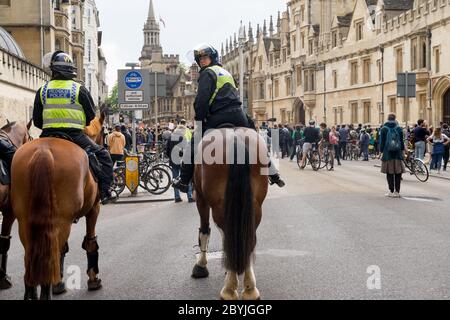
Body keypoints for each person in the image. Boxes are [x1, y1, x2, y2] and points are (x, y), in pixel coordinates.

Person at [172, 44, 284, 192]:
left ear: (212, 58)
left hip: (218, 116)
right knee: (256, 138)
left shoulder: (207, 73)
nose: (203, 61)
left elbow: (201, 101)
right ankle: (273, 173)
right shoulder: (226, 73)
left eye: (205, 58)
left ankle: (184, 180)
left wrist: (200, 119)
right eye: (200, 59)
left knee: (195, 141)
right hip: (238, 114)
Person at [33, 50, 116, 204]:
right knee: (104, 155)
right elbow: (91, 116)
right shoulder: (78, 89)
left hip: (47, 135)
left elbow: (37, 121)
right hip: (74, 136)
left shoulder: (42, 90)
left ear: (53, 69)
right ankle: (105, 192)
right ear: (71, 70)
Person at [167, 123, 195, 203]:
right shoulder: (183, 137)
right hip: (182, 160)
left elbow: (167, 150)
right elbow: (187, 150)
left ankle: (177, 197)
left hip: (173, 161)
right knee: (186, 177)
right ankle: (190, 196)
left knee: (175, 179)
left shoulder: (170, 137)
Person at [379, 113, 405, 198]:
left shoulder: (383, 129)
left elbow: (382, 143)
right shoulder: (399, 128)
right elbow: (401, 142)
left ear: (387, 119)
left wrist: (381, 152)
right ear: (395, 119)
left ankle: (391, 191)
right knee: (398, 173)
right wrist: (403, 152)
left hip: (387, 154)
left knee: (389, 173)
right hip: (397, 154)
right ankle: (397, 192)